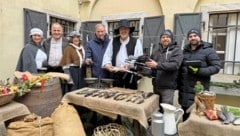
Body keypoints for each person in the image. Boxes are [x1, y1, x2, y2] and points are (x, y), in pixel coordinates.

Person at [177, 28, 221, 121]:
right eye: (190, 36)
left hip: (199, 91)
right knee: (185, 117)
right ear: (188, 38)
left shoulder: (208, 50)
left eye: (195, 36)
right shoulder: (184, 51)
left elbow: (216, 67)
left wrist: (199, 71)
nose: (193, 38)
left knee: (197, 118)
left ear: (199, 37)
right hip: (184, 91)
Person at [145, 29, 183, 106]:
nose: (165, 39)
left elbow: (175, 65)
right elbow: (152, 66)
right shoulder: (156, 51)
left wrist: (157, 65)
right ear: (160, 39)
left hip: (168, 87)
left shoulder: (177, 51)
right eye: (163, 37)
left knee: (166, 110)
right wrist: (145, 71)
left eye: (167, 37)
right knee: (156, 108)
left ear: (172, 39)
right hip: (156, 85)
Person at [102, 19, 143, 89]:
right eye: (121, 29)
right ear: (119, 31)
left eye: (125, 29)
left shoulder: (136, 42)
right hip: (116, 74)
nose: (123, 31)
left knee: (130, 95)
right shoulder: (113, 41)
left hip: (130, 74)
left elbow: (139, 58)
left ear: (129, 30)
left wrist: (129, 65)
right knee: (115, 95)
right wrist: (107, 65)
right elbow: (107, 55)